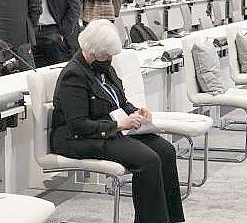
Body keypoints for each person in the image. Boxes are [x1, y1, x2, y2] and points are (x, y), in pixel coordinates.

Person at [50, 19, 184, 223]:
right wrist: (119, 125)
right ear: (94, 52)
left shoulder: (105, 68)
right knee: (148, 160)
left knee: (166, 151)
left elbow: (120, 101)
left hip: (109, 130)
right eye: (107, 55)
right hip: (77, 138)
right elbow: (79, 125)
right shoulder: (73, 76)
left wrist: (136, 112)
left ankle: (171, 219)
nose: (110, 59)